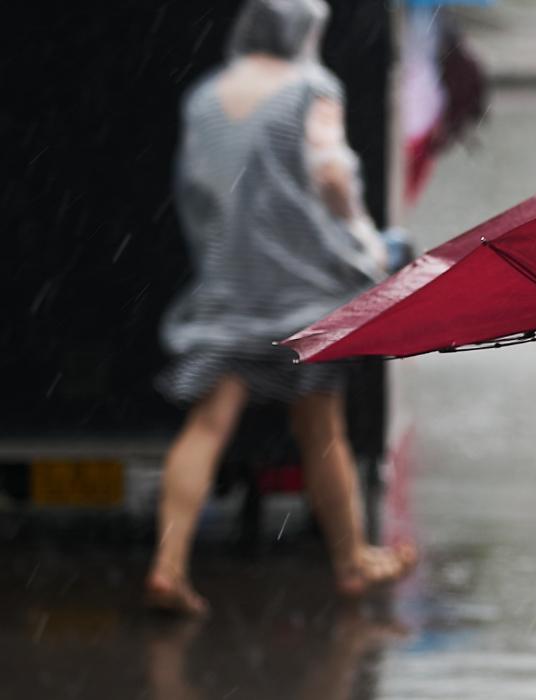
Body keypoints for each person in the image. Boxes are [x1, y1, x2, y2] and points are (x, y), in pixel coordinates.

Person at [147, 0, 414, 615]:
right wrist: (367, 240)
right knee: (322, 428)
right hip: (303, 285)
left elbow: (198, 190)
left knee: (207, 425)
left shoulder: (206, 96)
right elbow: (331, 173)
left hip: (230, 285)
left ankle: (167, 566)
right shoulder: (311, 87)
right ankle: (351, 560)